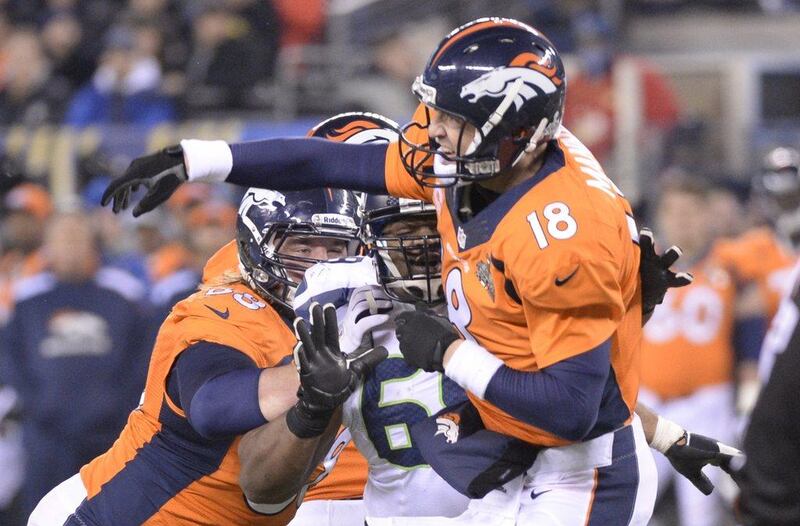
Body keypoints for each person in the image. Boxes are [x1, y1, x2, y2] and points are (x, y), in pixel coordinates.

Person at [101, 17, 744, 525]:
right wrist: (199, 157)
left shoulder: (554, 236)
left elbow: (568, 402)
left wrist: (451, 352)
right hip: (448, 487)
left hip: (558, 472)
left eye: (422, 225)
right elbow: (333, 165)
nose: (430, 138)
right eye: (394, 226)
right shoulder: (447, 182)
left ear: (508, 135)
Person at [26, 189, 383, 525]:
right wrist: (309, 379)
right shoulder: (223, 310)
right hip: (108, 515)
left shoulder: (353, 320)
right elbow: (211, 405)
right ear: (259, 247)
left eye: (336, 248)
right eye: (303, 247)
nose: (320, 266)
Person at [2, 210, 148, 518]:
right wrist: (37, 404)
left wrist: (117, 405)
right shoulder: (28, 297)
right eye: (62, 237)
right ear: (48, 245)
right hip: (47, 435)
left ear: (92, 243)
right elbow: (11, 360)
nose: (69, 245)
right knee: (45, 516)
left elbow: (142, 359)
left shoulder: (123, 294)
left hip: (111, 434)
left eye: (76, 237)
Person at [638, 177, 764, 526]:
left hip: (708, 403)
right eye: (673, 211)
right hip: (648, 404)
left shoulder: (732, 260)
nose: (682, 220)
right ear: (660, 215)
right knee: (631, 501)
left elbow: (752, 325)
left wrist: (749, 388)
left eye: (691, 211)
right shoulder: (642, 262)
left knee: (703, 509)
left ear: (709, 214)